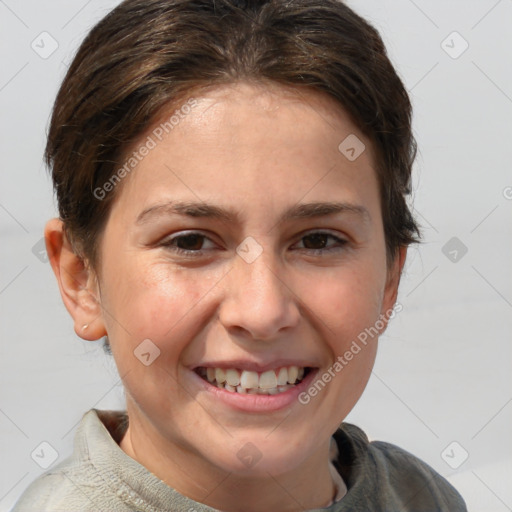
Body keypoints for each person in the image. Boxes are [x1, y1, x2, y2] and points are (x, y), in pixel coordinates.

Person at [12, 0, 467, 510]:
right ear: (81, 280)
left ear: (389, 279)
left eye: (319, 240)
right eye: (190, 241)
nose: (263, 311)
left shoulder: (423, 498)